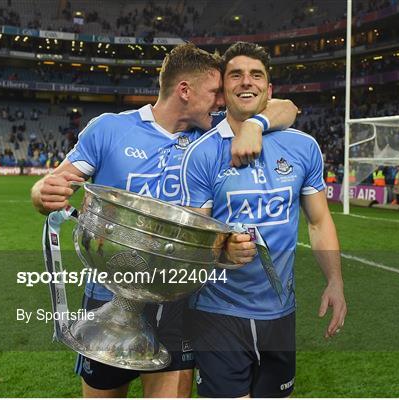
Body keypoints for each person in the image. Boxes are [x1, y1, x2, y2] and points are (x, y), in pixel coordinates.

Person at [31, 43, 298, 398]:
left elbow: (287, 107)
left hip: (177, 300)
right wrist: (41, 193)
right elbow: (54, 185)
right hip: (109, 293)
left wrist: (255, 125)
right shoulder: (109, 129)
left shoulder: (211, 131)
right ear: (184, 91)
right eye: (215, 92)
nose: (222, 101)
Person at [180, 42, 346, 398]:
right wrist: (221, 249)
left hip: (280, 313)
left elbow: (318, 223)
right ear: (224, 90)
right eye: (236, 75)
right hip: (217, 311)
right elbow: (193, 237)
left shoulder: (303, 147)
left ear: (268, 90)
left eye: (256, 75)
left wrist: (335, 281)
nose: (247, 82)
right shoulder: (202, 153)